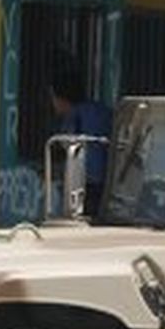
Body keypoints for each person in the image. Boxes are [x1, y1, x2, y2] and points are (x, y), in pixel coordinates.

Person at [50, 63, 110, 217]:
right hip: (108, 180)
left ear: (61, 98)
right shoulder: (101, 110)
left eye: (53, 97)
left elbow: (70, 148)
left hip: (85, 182)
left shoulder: (73, 117)